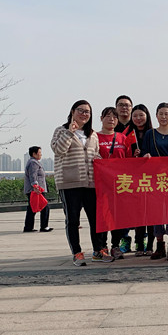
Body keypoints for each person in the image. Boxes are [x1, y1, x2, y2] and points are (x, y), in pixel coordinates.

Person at [51, 100, 101, 266]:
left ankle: (98, 250)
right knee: (73, 220)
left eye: (88, 112)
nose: (84, 114)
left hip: (90, 183)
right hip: (69, 183)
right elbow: (58, 150)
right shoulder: (61, 130)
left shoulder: (92, 134)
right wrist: (70, 132)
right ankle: (77, 253)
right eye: (81, 110)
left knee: (95, 219)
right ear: (73, 111)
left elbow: (96, 156)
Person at [141, 102, 168, 261]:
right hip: (155, 179)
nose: (164, 116)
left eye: (166, 113)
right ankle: (160, 245)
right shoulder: (149, 134)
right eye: (161, 114)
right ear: (156, 116)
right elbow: (144, 154)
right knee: (156, 212)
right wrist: (145, 157)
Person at [95, 107, 129, 260]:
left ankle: (116, 245)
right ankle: (102, 247)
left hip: (120, 185)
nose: (111, 120)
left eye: (114, 117)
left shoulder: (122, 138)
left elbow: (129, 160)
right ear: (101, 118)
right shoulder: (94, 137)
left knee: (118, 217)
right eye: (108, 116)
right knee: (102, 217)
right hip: (101, 185)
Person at [122, 103, 154, 256]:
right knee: (139, 214)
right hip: (134, 180)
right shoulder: (127, 134)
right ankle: (139, 244)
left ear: (147, 116)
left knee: (153, 214)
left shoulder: (153, 133)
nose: (138, 118)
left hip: (153, 179)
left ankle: (151, 245)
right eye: (135, 116)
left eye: (141, 115)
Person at [23, 146, 52, 233]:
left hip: (36, 189)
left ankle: (28, 227)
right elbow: (33, 175)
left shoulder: (34, 162)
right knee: (44, 207)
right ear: (34, 154)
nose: (41, 154)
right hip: (36, 190)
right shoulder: (33, 163)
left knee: (32, 208)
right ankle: (44, 226)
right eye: (39, 153)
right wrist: (35, 186)